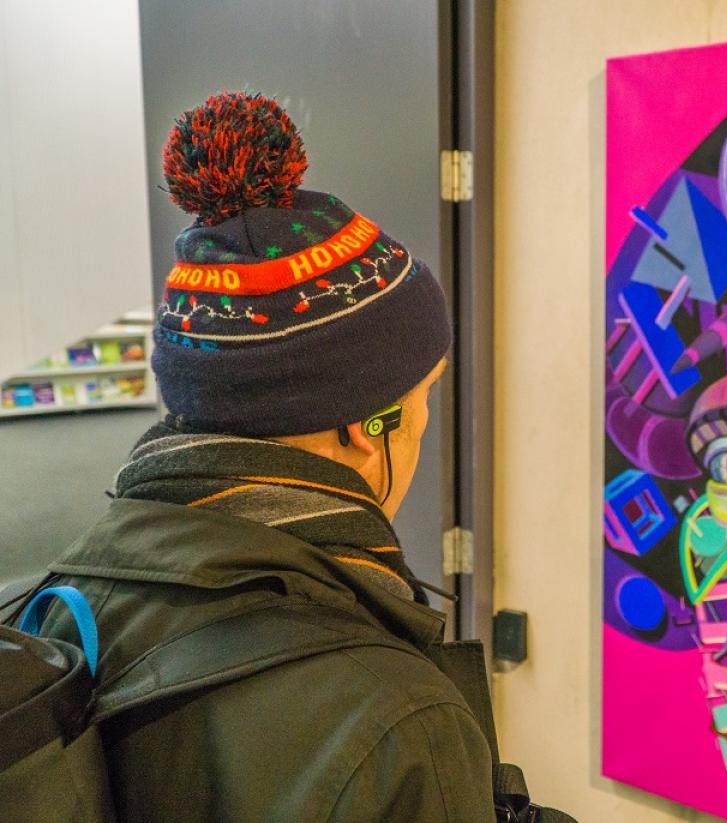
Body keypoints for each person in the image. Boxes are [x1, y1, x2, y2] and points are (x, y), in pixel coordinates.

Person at [29, 91, 514, 821]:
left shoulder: (60, 609)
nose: (421, 423)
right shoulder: (397, 721)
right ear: (364, 424)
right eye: (422, 397)